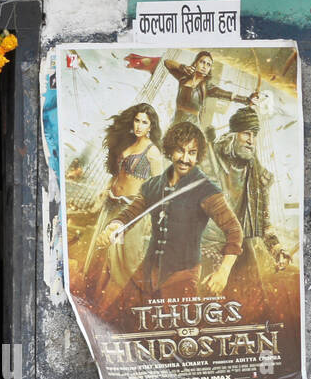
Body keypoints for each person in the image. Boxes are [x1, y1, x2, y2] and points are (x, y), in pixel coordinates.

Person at [95, 121, 242, 324]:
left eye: (192, 153)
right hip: (147, 272)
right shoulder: (154, 185)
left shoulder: (206, 190)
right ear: (170, 150)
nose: (185, 158)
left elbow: (234, 231)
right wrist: (115, 225)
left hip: (182, 276)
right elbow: (130, 214)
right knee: (116, 322)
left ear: (198, 156)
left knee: (179, 332)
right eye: (180, 151)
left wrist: (223, 271)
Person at [74, 103, 165, 312]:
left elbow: (158, 189)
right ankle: (94, 303)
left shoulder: (152, 153)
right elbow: (118, 175)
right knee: (101, 254)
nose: (140, 126)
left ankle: (114, 308)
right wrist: (105, 190)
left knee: (124, 261)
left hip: (130, 211)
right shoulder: (127, 142)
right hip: (110, 205)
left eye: (145, 122)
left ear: (151, 126)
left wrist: (153, 218)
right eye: (137, 120)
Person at [211, 106, 290, 317]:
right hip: (209, 251)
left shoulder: (258, 177)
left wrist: (277, 250)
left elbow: (264, 223)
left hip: (241, 255)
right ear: (232, 135)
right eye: (246, 133)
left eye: (254, 135)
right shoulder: (211, 163)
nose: (251, 140)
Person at [161, 51, 258, 132]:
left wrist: (247, 100)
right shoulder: (183, 78)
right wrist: (182, 67)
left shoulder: (207, 86)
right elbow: (167, 63)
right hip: (176, 122)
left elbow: (228, 95)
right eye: (202, 62)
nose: (205, 66)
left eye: (208, 65)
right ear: (195, 63)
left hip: (192, 126)